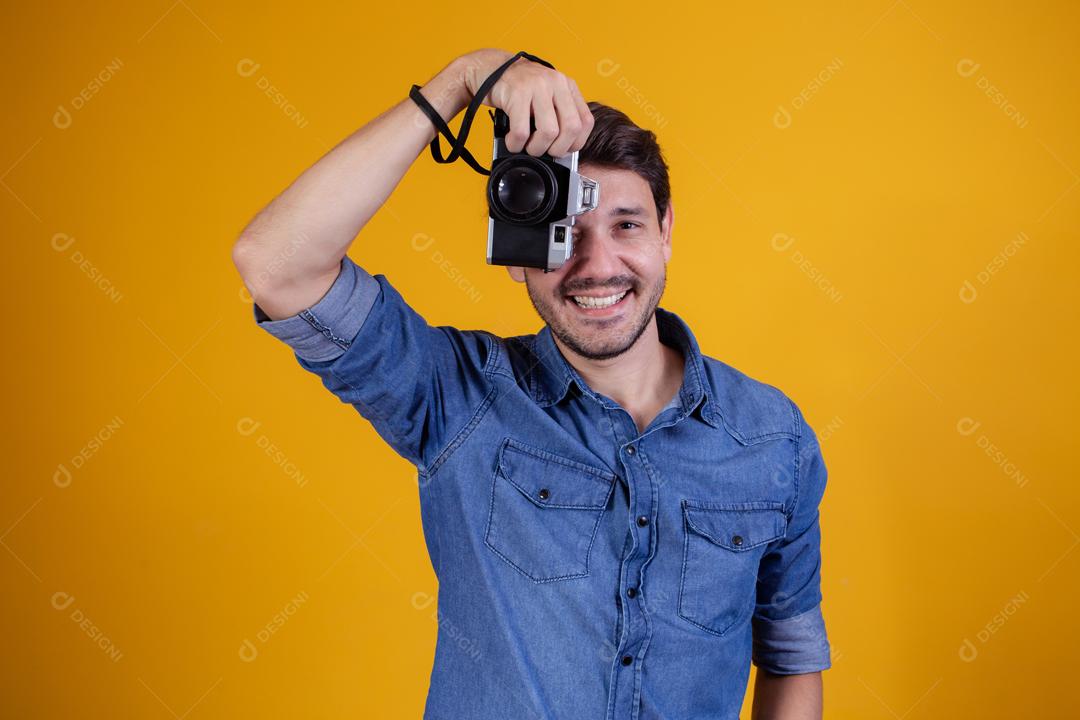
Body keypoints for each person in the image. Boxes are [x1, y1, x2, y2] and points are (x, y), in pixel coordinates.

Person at [232, 47, 832, 720]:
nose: (597, 265)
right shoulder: (457, 398)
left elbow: (791, 655)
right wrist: (462, 82)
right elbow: (275, 264)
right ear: (515, 253)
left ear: (666, 232)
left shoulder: (774, 438)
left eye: (626, 225)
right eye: (561, 234)